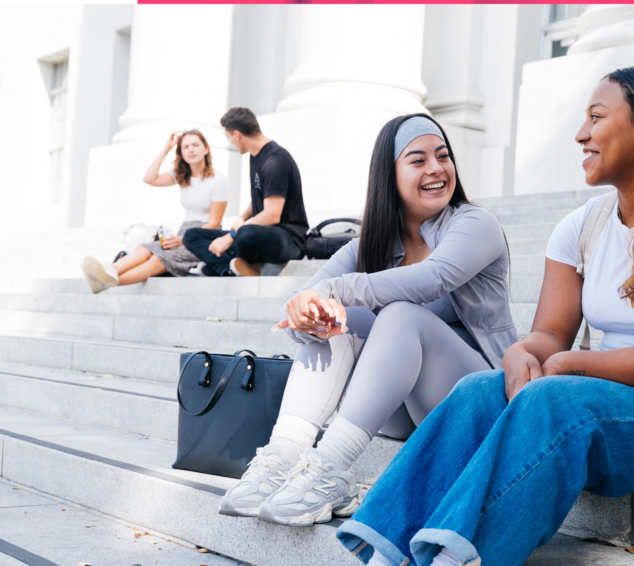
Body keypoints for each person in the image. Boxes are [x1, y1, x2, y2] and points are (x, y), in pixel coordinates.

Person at [275, 65, 634, 566]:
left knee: (556, 401)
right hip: (609, 397)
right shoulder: (582, 226)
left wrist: (570, 364)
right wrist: (524, 354)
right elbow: (549, 334)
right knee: (480, 389)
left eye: (597, 117)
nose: (580, 133)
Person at [217, 113, 515, 531]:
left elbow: (430, 280)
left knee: (398, 313)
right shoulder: (368, 245)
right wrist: (308, 312)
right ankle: (283, 457)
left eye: (442, 156)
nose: (436, 169)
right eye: (418, 160)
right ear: (388, 175)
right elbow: (305, 305)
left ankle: (331, 465)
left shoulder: (474, 224)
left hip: (477, 397)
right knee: (335, 316)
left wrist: (333, 292)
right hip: (401, 410)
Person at [80, 129, 227, 293]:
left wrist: (183, 239)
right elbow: (149, 178)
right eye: (185, 147)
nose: (191, 150)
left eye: (195, 145)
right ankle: (107, 270)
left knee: (156, 260)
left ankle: (105, 282)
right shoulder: (182, 175)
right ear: (181, 153)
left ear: (206, 149)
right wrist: (166, 149)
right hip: (182, 233)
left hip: (203, 239)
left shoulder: (218, 180)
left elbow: (214, 223)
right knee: (144, 248)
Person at [184, 107, 308, 276]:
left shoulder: (275, 160)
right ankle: (226, 269)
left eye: (229, 138)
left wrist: (231, 236)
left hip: (288, 240)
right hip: (258, 234)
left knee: (245, 234)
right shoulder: (255, 156)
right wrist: (242, 218)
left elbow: (272, 214)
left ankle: (224, 263)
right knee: (192, 235)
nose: (232, 143)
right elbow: (262, 197)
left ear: (237, 134)